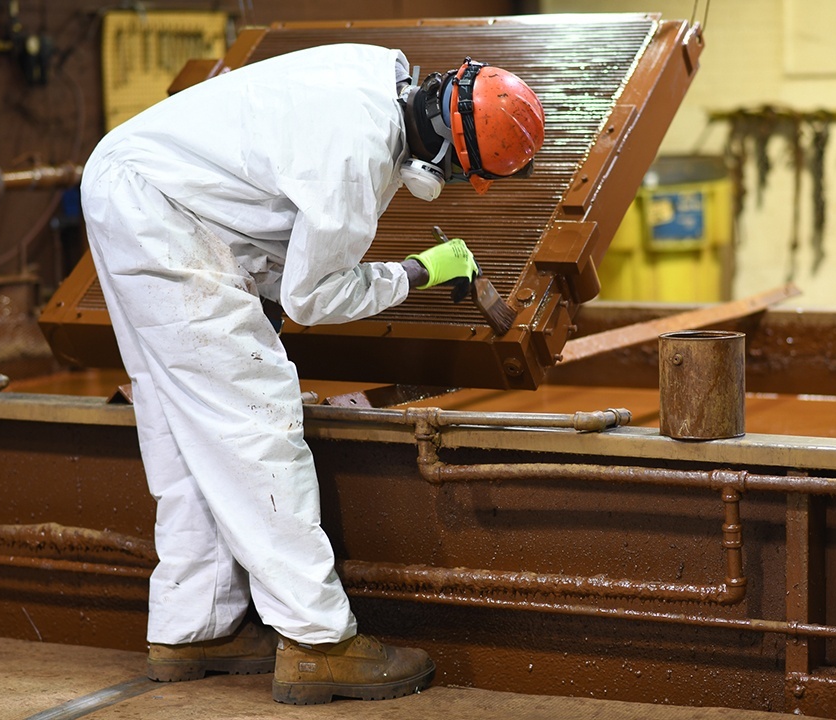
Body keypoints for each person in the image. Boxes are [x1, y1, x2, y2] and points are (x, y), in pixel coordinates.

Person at [79, 42, 544, 705]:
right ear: (449, 164)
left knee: (181, 416)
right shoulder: (356, 160)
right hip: (160, 209)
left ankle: (194, 629)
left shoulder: (375, 71)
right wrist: (418, 272)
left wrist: (259, 281)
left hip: (144, 185)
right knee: (255, 419)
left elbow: (266, 194)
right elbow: (314, 297)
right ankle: (318, 642)